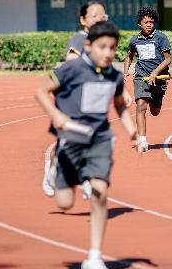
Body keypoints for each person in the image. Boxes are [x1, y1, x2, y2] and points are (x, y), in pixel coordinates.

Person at [35, 20, 142, 269]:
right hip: (71, 139)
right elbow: (41, 92)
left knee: (100, 192)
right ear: (88, 46)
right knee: (64, 202)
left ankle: (94, 256)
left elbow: (119, 105)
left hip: (99, 139)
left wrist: (132, 131)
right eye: (102, 47)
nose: (108, 53)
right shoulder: (71, 69)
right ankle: (55, 168)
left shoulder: (114, 76)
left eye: (112, 48)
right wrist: (56, 115)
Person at [43, 1, 132, 198]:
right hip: (73, 97)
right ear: (83, 20)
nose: (99, 18)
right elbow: (72, 64)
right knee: (67, 141)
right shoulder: (79, 38)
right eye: (94, 15)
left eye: (102, 15)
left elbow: (107, 69)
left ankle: (88, 180)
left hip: (91, 99)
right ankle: (53, 167)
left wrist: (122, 91)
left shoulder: (104, 41)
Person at [123, 6, 172, 152]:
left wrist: (155, 72)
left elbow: (168, 59)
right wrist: (126, 71)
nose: (149, 25)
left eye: (151, 22)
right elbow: (129, 56)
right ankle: (142, 140)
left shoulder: (161, 37)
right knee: (140, 105)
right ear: (139, 23)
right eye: (146, 22)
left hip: (159, 77)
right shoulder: (134, 40)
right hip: (141, 76)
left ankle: (156, 100)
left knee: (155, 111)